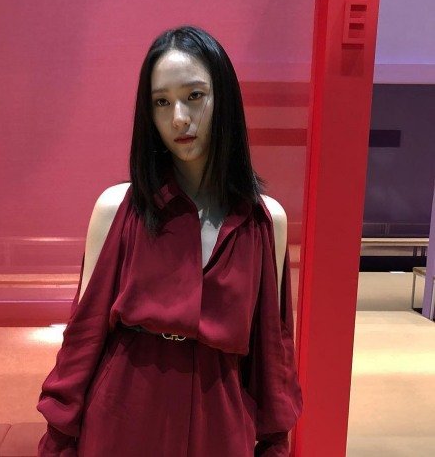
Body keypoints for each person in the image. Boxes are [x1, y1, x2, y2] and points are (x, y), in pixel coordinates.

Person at [36, 25, 303, 456]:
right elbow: (83, 337)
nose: (178, 117)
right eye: (161, 102)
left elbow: (272, 352)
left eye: (194, 96)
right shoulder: (117, 209)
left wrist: (275, 442)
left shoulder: (265, 221)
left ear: (224, 99)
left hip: (220, 424)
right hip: (123, 414)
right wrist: (59, 442)